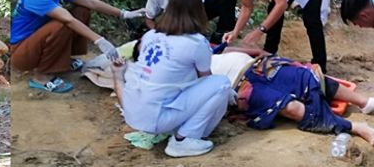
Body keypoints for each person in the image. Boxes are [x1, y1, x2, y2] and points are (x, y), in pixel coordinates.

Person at [107, 44, 374, 146]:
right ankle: (356, 127)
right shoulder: (154, 78)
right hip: (240, 88)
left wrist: (257, 51)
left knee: (308, 77)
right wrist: (119, 76)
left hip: (255, 66)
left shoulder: (191, 46)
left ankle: (366, 103)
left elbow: (231, 47)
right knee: (291, 108)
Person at [119, 0, 231, 158]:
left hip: (134, 113)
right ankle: (183, 139)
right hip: (158, 117)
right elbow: (206, 79)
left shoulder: (150, 35)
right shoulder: (196, 42)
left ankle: (175, 128)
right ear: (199, 13)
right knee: (221, 84)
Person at [10, 0, 133, 93]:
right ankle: (41, 76)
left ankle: (64, 59)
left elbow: (89, 2)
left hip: (37, 42)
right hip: (22, 53)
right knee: (61, 24)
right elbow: (68, 20)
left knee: (82, 10)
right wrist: (99, 40)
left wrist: (123, 14)